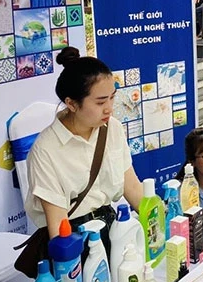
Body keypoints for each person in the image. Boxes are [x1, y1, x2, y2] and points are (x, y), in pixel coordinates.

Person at [26, 47, 144, 246]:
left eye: (112, 97)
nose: (109, 108)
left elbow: (131, 186)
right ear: (71, 104)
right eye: (100, 102)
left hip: (112, 230)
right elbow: (58, 226)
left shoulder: (112, 128)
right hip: (74, 240)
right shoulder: (45, 150)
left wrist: (161, 221)